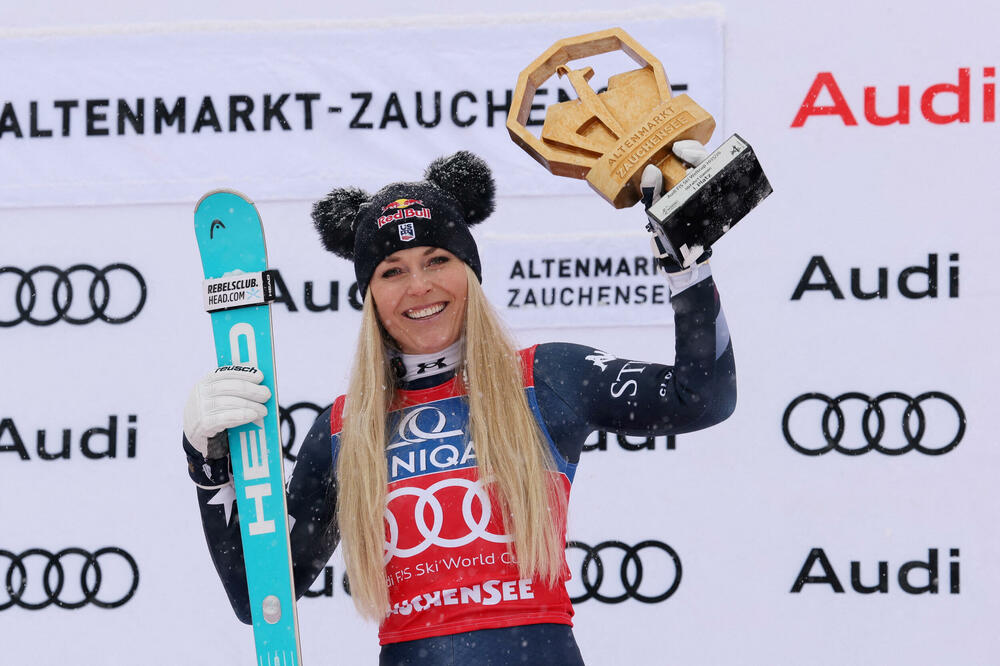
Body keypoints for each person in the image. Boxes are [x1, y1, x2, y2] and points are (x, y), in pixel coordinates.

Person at [182, 147, 737, 665]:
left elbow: (701, 398)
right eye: (392, 271)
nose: (419, 286)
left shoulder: (547, 378)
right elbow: (259, 597)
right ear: (370, 295)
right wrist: (207, 466)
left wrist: (688, 265)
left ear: (469, 271)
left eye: (437, 259)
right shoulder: (345, 429)